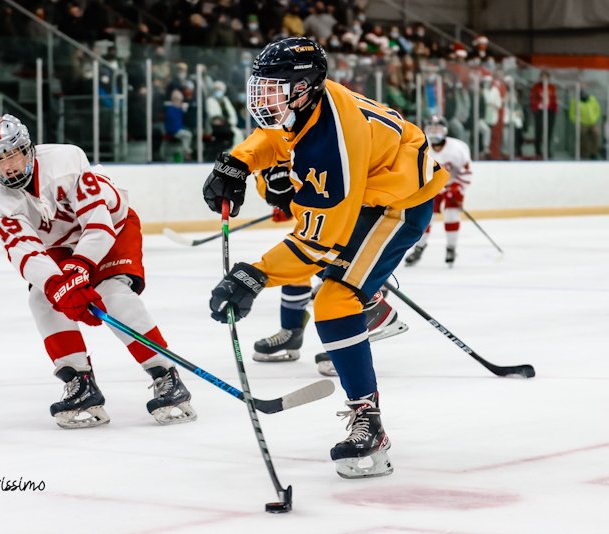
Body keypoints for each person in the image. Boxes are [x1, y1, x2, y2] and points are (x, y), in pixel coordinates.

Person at [202, 37, 447, 479]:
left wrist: (254, 276)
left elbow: (318, 244)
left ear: (305, 86)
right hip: (369, 187)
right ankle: (370, 306)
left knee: (336, 300)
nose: (264, 97)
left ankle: (369, 423)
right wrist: (237, 162)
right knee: (343, 290)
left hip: (399, 201)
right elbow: (274, 135)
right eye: (262, 86)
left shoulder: (332, 143)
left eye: (275, 88)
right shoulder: (306, 104)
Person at [0, 114, 197, 429]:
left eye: (13, 154)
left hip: (113, 226)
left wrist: (80, 269)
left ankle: (166, 375)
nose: (7, 166)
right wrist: (56, 285)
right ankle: (80, 383)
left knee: (112, 295)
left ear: (28, 148)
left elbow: (98, 223)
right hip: (62, 244)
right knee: (42, 299)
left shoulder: (65, 160)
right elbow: (24, 250)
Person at [250, 167, 408, 374]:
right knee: (295, 262)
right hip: (326, 214)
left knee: (327, 264)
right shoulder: (268, 155)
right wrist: (287, 203)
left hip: (367, 208)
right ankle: (291, 331)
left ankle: (363, 321)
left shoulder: (304, 139)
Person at [404, 116, 473, 267]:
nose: (435, 133)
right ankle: (419, 247)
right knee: (425, 219)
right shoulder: (422, 146)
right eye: (431, 129)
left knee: (451, 216)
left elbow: (467, 171)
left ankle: (451, 248)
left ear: (445, 131)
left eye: (438, 129)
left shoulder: (457, 148)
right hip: (431, 188)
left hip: (452, 187)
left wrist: (457, 188)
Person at [530, 71, 558, 159]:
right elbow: (533, 98)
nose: (544, 79)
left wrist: (553, 108)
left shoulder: (552, 87)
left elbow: (554, 98)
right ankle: (538, 150)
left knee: (549, 132)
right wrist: (537, 107)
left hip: (550, 111)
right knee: (539, 131)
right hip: (539, 111)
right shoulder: (536, 87)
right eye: (543, 77)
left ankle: (547, 150)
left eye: (546, 77)